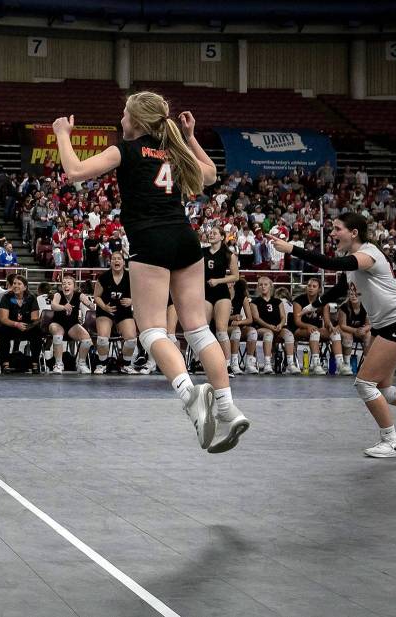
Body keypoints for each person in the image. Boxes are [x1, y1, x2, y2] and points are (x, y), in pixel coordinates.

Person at [53, 92, 248, 454]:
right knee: (199, 330)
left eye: (124, 114)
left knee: (154, 331)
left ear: (138, 122)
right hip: (186, 240)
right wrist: (191, 136)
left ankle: (190, 397)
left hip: (151, 242)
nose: (121, 119)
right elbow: (210, 174)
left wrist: (62, 134)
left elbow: (74, 172)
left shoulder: (125, 150)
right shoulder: (174, 149)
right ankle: (228, 407)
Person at [271, 213, 396, 458]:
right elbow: (343, 287)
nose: (333, 234)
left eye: (337, 229)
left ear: (353, 232)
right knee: (384, 389)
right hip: (386, 327)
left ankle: (393, 442)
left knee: (365, 384)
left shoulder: (369, 254)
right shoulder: (355, 261)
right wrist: (315, 305)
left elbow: (333, 265)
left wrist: (293, 248)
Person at [91, 253, 138, 374]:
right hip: (106, 311)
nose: (116, 261)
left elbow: (140, 294)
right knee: (102, 338)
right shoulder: (104, 277)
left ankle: (125, 364)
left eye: (119, 259)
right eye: (114, 259)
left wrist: (132, 300)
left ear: (123, 262)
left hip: (123, 311)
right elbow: (96, 296)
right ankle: (102, 363)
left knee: (131, 339)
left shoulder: (131, 277)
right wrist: (104, 307)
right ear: (110, 262)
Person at [203, 226, 239, 369]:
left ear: (222, 237)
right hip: (205, 292)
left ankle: (227, 364)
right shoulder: (202, 252)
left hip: (221, 292)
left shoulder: (228, 254)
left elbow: (235, 276)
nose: (211, 235)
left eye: (214, 233)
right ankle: (200, 361)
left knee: (221, 329)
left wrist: (218, 280)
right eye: (210, 233)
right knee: (203, 329)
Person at [290, 277, 343, 375]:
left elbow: (327, 321)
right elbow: (297, 321)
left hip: (316, 329)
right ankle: (316, 364)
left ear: (319, 289)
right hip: (300, 329)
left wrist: (331, 326)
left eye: (314, 286)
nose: (311, 288)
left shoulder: (323, 301)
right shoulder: (298, 300)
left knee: (335, 333)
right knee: (315, 333)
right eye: (309, 286)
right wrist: (308, 326)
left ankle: (340, 364)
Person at [250, 276, 299, 374]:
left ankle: (290, 363)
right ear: (258, 287)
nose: (263, 287)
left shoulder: (278, 302)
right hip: (262, 328)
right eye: (260, 285)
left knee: (289, 334)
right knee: (268, 334)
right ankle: (267, 363)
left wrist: (280, 325)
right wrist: (269, 327)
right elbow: (256, 318)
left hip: (277, 327)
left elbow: (283, 317)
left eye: (265, 285)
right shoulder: (254, 302)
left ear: (270, 287)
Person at [0, 274, 42, 373]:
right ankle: (5, 364)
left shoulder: (31, 298)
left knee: (37, 331)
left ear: (25, 287)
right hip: (10, 326)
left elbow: (35, 318)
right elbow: (3, 318)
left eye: (19, 284)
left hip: (26, 327)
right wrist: (16, 324)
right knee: (2, 331)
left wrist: (27, 327)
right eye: (14, 283)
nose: (16, 285)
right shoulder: (6, 297)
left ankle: (35, 363)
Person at [48, 272, 93, 374]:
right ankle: (59, 364)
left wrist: (89, 304)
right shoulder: (58, 294)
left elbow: (90, 305)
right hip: (57, 323)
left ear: (74, 286)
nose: (66, 285)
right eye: (64, 283)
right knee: (58, 334)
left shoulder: (79, 295)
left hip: (72, 325)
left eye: (69, 283)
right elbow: (53, 306)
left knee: (87, 340)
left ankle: (81, 363)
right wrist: (63, 307)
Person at [227, 277, 256, 376]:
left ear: (233, 283)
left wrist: (239, 322)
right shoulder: (220, 296)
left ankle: (249, 363)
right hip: (221, 326)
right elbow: (215, 317)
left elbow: (250, 319)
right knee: (236, 331)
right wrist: (232, 318)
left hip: (236, 326)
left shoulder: (241, 296)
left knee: (252, 332)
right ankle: (234, 364)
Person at [336, 289, 369, 376]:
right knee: (348, 337)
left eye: (357, 294)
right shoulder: (344, 307)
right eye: (351, 294)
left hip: (360, 330)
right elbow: (342, 325)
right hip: (346, 329)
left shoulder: (366, 306)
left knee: (369, 335)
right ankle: (346, 364)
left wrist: (364, 329)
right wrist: (355, 331)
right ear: (348, 296)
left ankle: (365, 364)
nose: (354, 296)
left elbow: (369, 324)